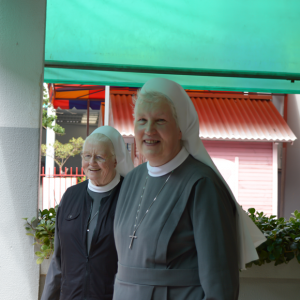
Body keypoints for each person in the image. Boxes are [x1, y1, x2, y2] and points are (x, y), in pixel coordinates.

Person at [113, 78, 266, 300]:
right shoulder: (131, 180)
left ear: (180, 129)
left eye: (160, 120)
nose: (149, 130)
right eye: (142, 120)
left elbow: (220, 287)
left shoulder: (202, 185)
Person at [41, 126, 134, 300]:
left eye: (100, 157)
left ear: (116, 161)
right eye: (87, 156)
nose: (92, 163)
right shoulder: (70, 196)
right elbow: (58, 260)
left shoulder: (130, 197)